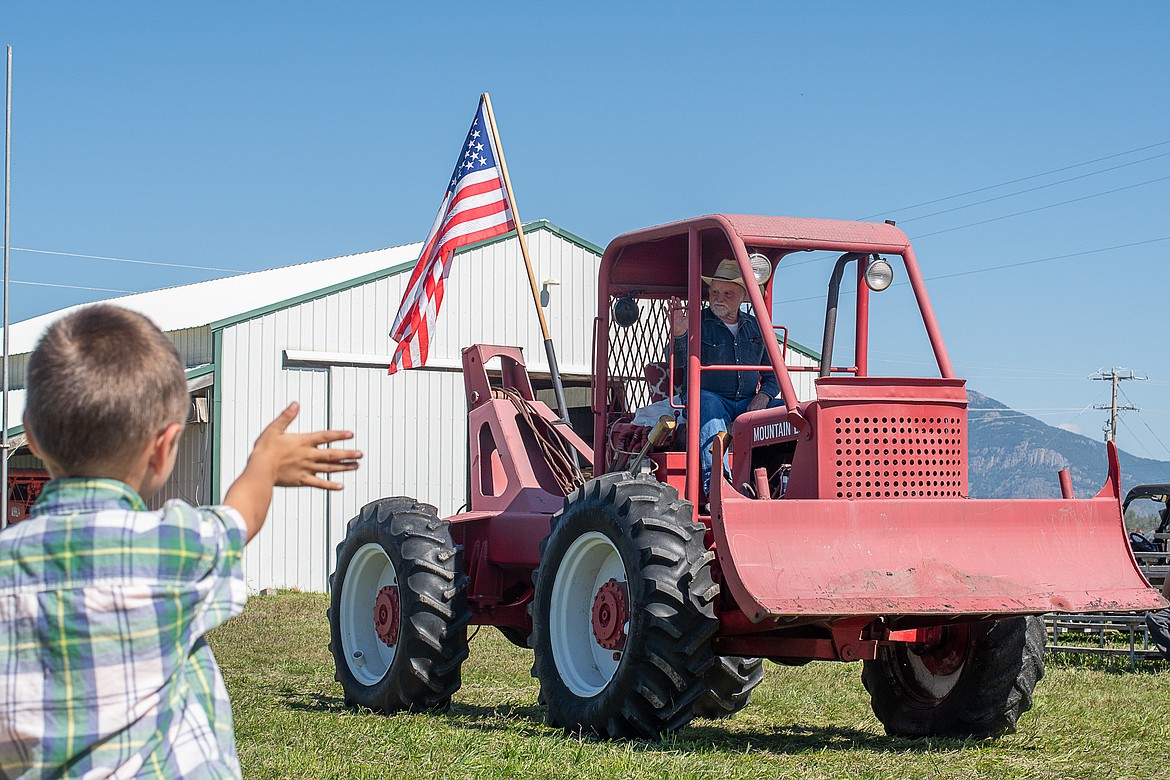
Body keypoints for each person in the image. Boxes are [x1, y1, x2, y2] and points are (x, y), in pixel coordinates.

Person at [0, 304, 361, 778]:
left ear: (31, 437)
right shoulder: (175, 546)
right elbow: (240, 516)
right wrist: (264, 466)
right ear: (166, 446)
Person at [670, 258, 780, 498]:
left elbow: (774, 376)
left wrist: (764, 395)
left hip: (747, 403)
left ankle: (782, 481)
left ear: (742, 297)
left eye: (727, 293)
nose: (718, 298)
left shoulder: (757, 327)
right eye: (715, 292)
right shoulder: (696, 323)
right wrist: (679, 336)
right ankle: (718, 489)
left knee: (788, 411)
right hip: (710, 399)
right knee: (706, 402)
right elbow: (678, 368)